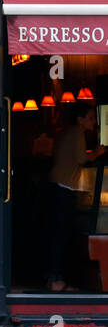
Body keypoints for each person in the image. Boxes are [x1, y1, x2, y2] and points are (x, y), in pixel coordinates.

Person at [46, 102, 106, 292]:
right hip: (64, 188)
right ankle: (57, 281)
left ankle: (54, 279)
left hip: (57, 186)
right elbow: (81, 159)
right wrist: (98, 152)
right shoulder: (77, 132)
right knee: (61, 236)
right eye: (90, 117)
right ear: (80, 119)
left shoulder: (67, 132)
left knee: (57, 235)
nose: (94, 121)